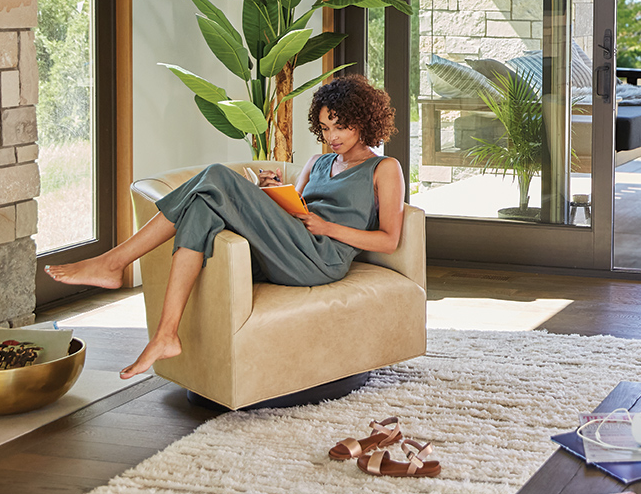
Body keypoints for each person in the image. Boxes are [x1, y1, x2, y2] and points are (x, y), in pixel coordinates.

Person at [46, 74, 406, 379]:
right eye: (325, 128)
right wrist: (268, 191)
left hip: (321, 258)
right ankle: (166, 334)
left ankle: (114, 263)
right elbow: (292, 209)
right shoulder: (317, 162)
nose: (332, 137)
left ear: (363, 121)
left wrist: (327, 228)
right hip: (288, 246)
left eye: (340, 127)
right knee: (202, 207)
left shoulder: (384, 169)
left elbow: (389, 240)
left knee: (216, 175)